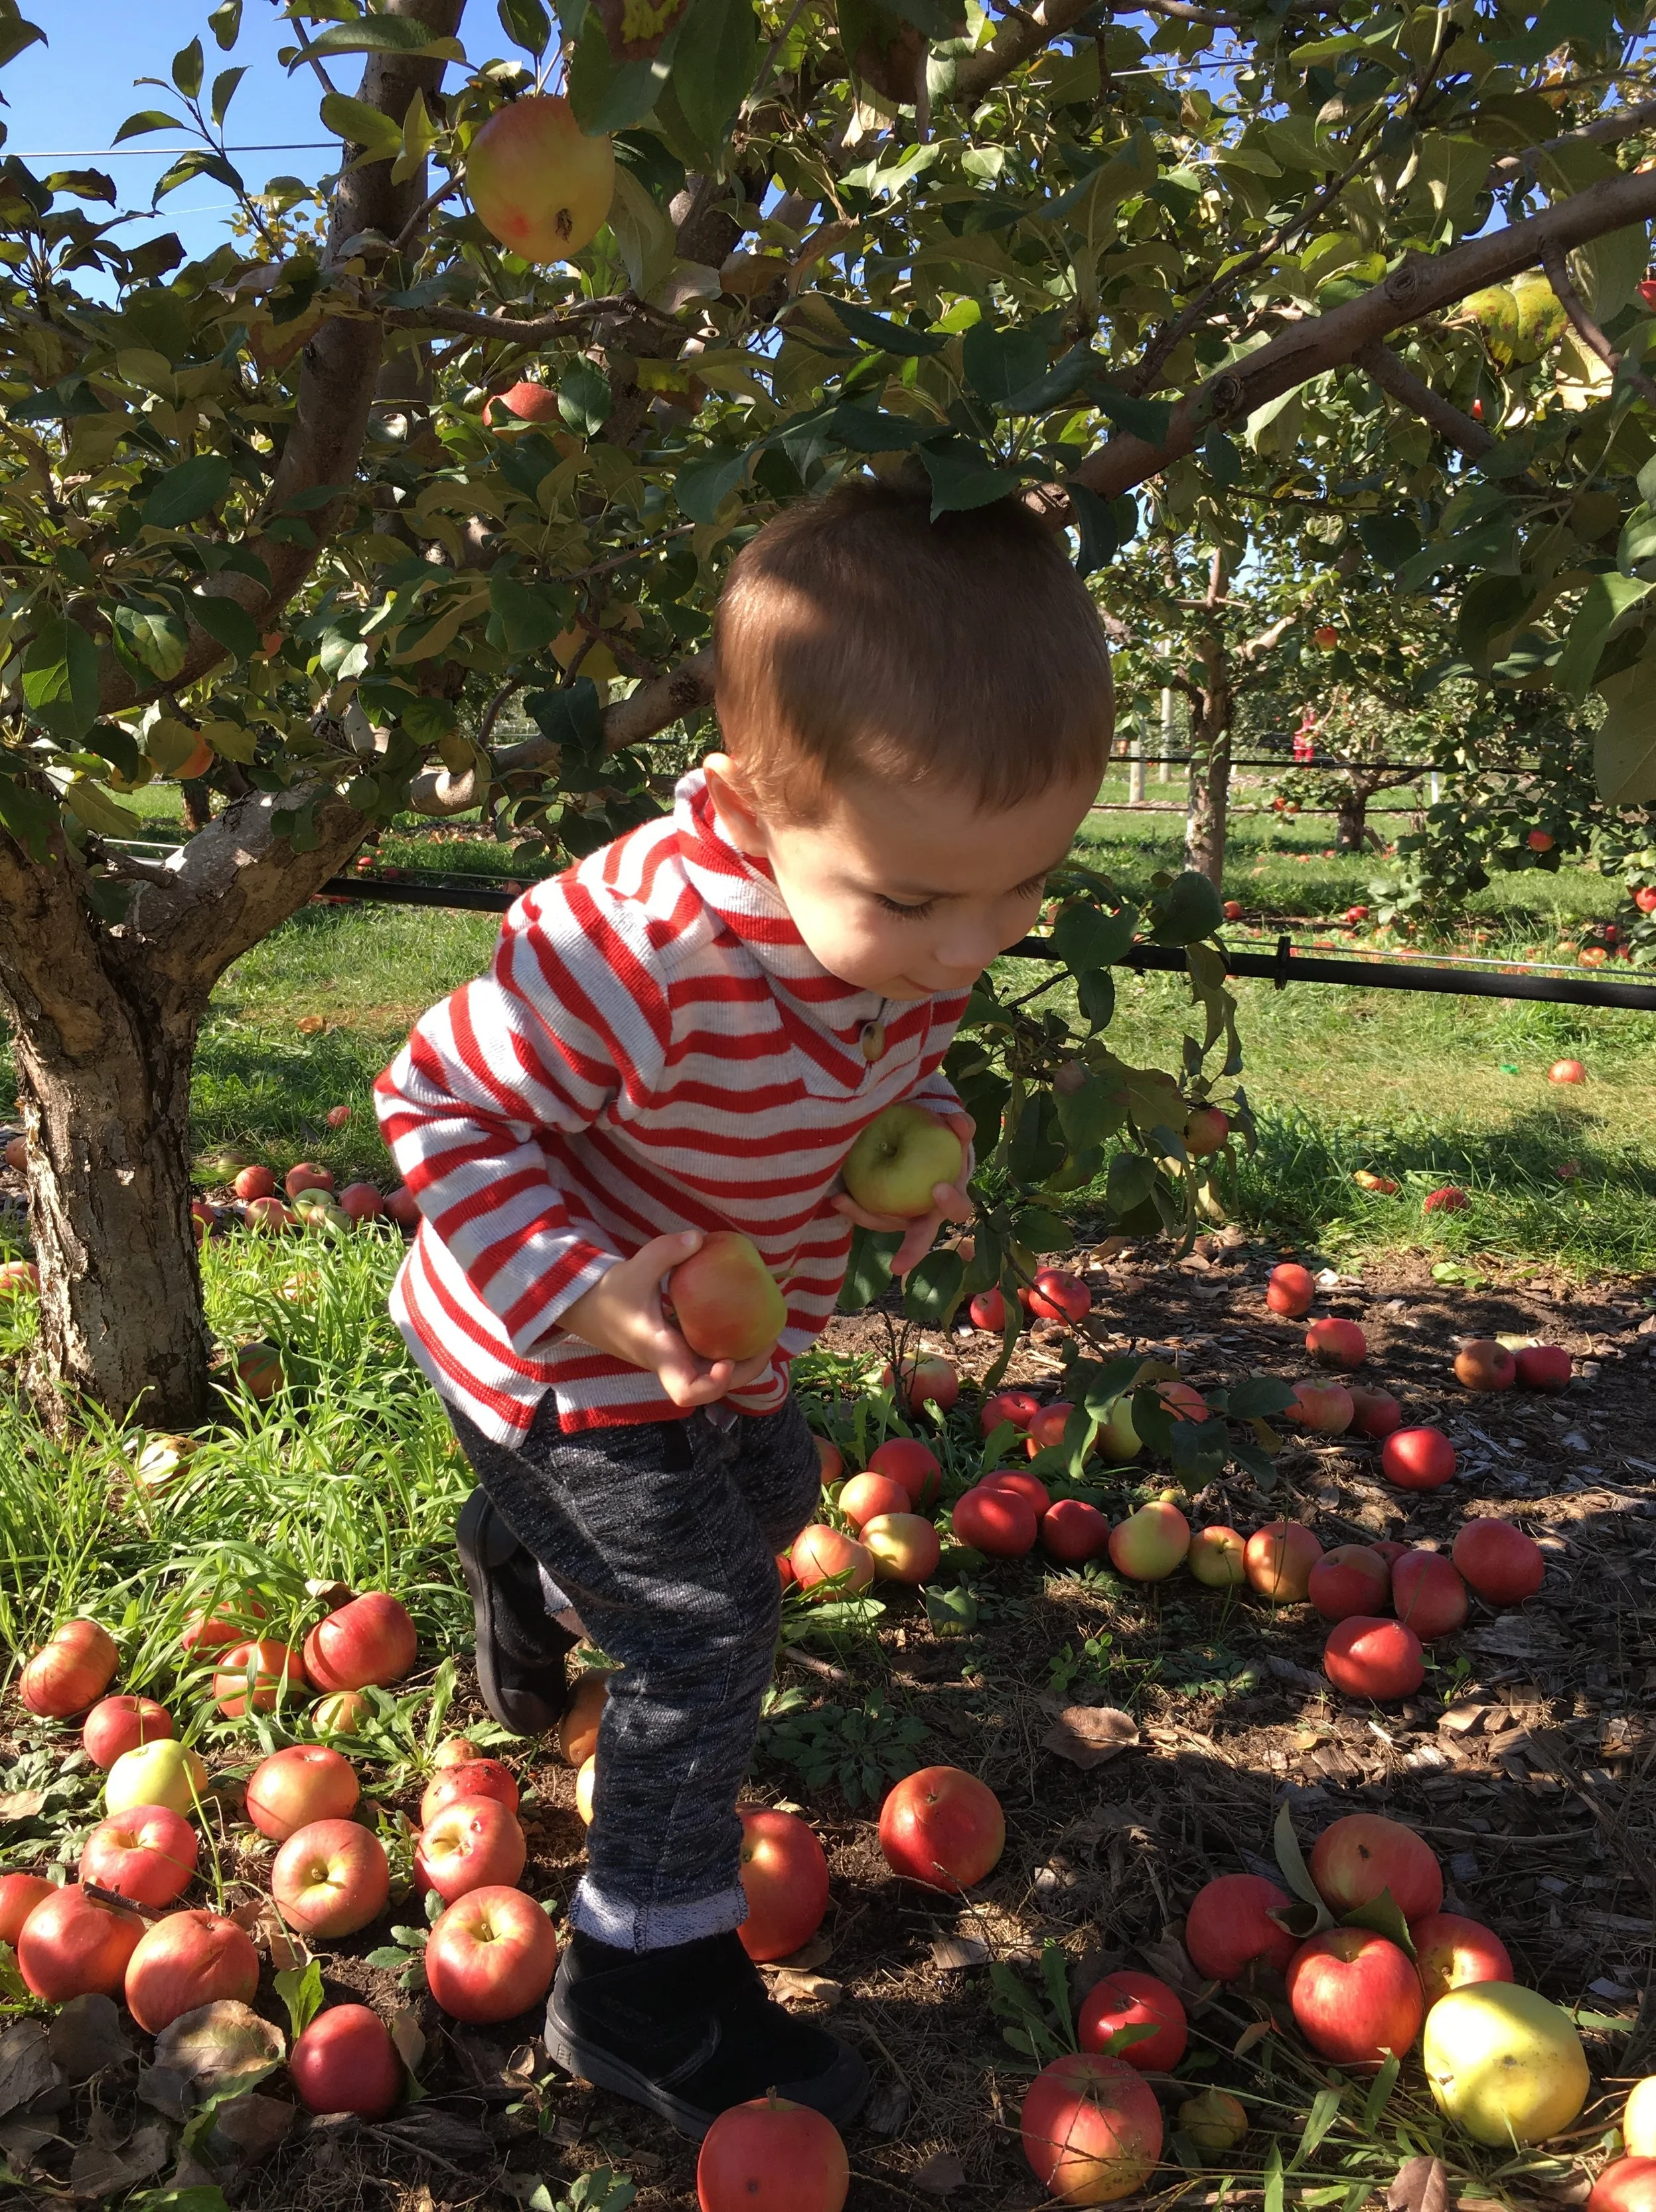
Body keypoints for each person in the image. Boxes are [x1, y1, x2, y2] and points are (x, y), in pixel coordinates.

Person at [374, 480, 1114, 2136]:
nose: (962, 951)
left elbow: (873, 1083)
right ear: (745, 809)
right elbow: (435, 1106)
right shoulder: (631, 940)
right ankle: (637, 1977)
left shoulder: (906, 932)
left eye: (1018, 894)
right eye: (917, 904)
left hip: (711, 1342)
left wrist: (894, 1174)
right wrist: (578, 1283)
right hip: (552, 1340)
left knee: (780, 1495)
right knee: (704, 1624)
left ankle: (520, 1551)